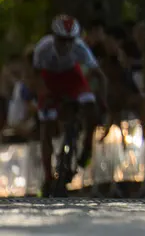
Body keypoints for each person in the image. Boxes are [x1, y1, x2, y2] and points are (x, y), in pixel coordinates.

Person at [32, 15, 107, 196]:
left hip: (72, 79)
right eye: (61, 41)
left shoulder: (80, 48)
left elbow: (99, 75)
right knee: (46, 126)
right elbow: (34, 76)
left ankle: (87, 145)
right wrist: (43, 94)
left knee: (90, 106)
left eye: (69, 41)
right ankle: (49, 177)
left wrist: (102, 102)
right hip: (49, 80)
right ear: (54, 37)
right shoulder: (43, 48)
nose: (66, 45)